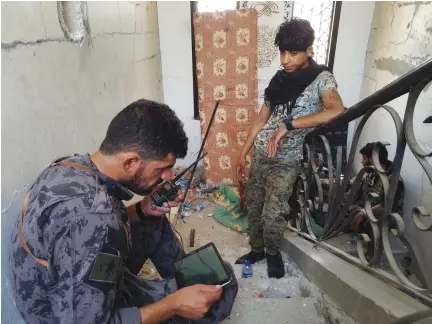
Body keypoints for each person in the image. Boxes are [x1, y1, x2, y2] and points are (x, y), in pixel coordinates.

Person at [9, 99, 238, 324]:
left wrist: (142, 209)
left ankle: (183, 282)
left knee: (151, 221)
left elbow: (85, 236)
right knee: (223, 285)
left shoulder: (72, 167)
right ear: (130, 162)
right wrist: (173, 304)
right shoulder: (96, 220)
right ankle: (183, 300)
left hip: (64, 283)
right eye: (162, 169)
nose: (167, 177)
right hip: (59, 312)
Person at [235, 18, 344, 278]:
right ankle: (257, 249)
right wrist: (243, 153)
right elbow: (262, 118)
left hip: (287, 160)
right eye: (282, 52)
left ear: (309, 50)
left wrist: (290, 124)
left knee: (274, 213)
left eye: (292, 53)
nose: (285, 60)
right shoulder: (280, 78)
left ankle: (272, 254)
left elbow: (336, 110)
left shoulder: (322, 79)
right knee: (253, 205)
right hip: (262, 155)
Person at [346, 142, 405, 234]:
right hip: (367, 208)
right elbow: (354, 184)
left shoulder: (393, 179)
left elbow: (389, 206)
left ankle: (370, 241)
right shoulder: (371, 173)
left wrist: (364, 213)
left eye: (364, 158)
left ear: (373, 160)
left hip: (383, 217)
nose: (362, 161)